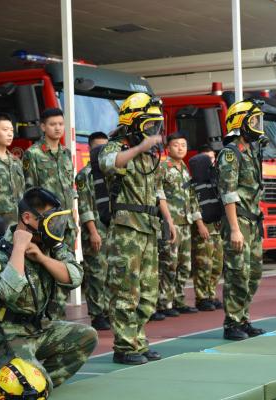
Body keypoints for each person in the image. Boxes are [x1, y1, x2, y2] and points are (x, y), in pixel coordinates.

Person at [0, 187, 97, 399]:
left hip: (38, 328)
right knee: (31, 388)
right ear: (27, 218)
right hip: (6, 334)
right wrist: (19, 248)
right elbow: (8, 292)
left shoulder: (49, 245)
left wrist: (41, 257)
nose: (55, 226)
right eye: (49, 219)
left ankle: (32, 378)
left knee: (86, 337)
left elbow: (75, 277)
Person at [99, 92, 175, 365]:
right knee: (125, 290)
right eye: (149, 124)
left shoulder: (150, 156)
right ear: (133, 122)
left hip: (148, 228)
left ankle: (138, 341)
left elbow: (157, 190)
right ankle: (124, 346)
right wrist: (140, 147)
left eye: (156, 124)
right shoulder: (115, 147)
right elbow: (109, 164)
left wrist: (168, 220)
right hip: (126, 229)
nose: (154, 130)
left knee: (148, 292)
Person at [217, 99, 267, 341]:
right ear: (241, 123)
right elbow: (228, 193)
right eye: (254, 121)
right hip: (238, 221)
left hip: (253, 222)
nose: (258, 125)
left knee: (253, 273)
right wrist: (235, 229)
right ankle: (232, 323)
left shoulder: (251, 152)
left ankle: (243, 318)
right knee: (238, 272)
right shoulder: (230, 153)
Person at [22, 107, 77, 319]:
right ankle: (45, 318)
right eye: (53, 124)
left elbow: (70, 188)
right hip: (46, 225)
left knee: (65, 268)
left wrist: (74, 217)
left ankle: (58, 315)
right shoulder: (33, 154)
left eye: (60, 124)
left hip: (66, 224)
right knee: (45, 270)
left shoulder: (66, 154)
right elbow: (30, 193)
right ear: (43, 127)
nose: (57, 128)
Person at [155, 133, 208, 318]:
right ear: (168, 148)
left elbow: (192, 198)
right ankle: (164, 303)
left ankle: (178, 300)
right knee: (169, 264)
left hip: (186, 223)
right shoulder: (162, 167)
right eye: (176, 145)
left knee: (185, 265)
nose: (180, 148)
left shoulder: (185, 169)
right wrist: (168, 220)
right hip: (170, 224)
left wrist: (199, 223)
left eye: (183, 145)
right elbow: (159, 194)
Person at [75, 131, 110, 330]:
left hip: (112, 231)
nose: (101, 151)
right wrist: (93, 232)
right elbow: (84, 206)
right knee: (96, 273)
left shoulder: (111, 173)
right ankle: (97, 314)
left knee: (111, 273)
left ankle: (109, 311)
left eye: (105, 148)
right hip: (95, 230)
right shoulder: (84, 175)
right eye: (97, 147)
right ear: (89, 149)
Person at [191, 145, 224, 311]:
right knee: (203, 264)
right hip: (204, 228)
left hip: (217, 228)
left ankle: (211, 294)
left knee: (217, 264)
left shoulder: (215, 179)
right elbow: (193, 205)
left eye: (212, 158)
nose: (210, 162)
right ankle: (201, 297)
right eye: (206, 159)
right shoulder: (194, 183)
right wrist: (200, 225)